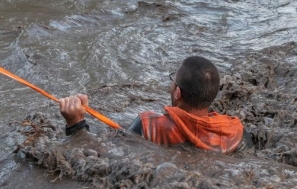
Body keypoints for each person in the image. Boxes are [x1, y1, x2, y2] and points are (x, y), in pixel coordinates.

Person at [59, 56, 245, 153]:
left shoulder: (148, 126)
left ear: (177, 93)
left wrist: (76, 124)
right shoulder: (236, 132)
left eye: (173, 80)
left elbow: (100, 155)